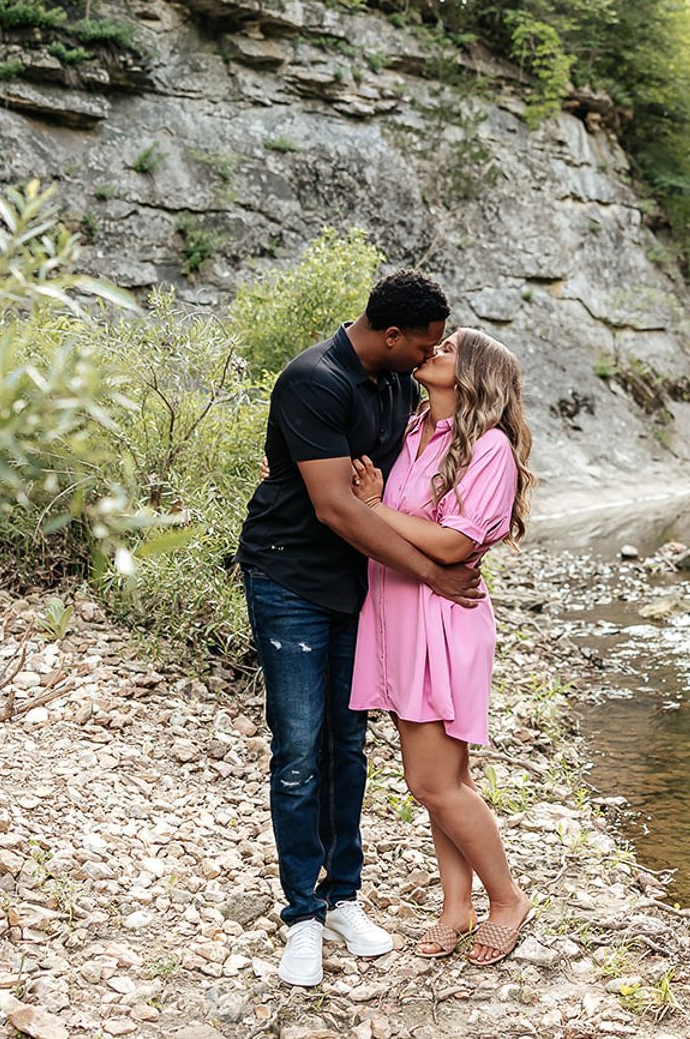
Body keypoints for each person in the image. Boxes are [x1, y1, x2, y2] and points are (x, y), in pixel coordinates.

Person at [235, 271, 485, 989]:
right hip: (291, 580)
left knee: (348, 747)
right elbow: (338, 509)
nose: (430, 355)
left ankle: (344, 899)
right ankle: (302, 917)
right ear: (394, 334)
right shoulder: (313, 379)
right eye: (427, 344)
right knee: (300, 750)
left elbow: (403, 485)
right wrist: (433, 575)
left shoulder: (398, 384)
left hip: (362, 586)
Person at [348, 327, 537, 966]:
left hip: (445, 619)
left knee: (431, 783)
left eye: (450, 350)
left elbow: (454, 545)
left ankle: (507, 899)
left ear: (475, 377)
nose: (434, 353)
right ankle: (456, 908)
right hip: (399, 616)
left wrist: (367, 508)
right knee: (443, 781)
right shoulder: (413, 432)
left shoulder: (490, 449)